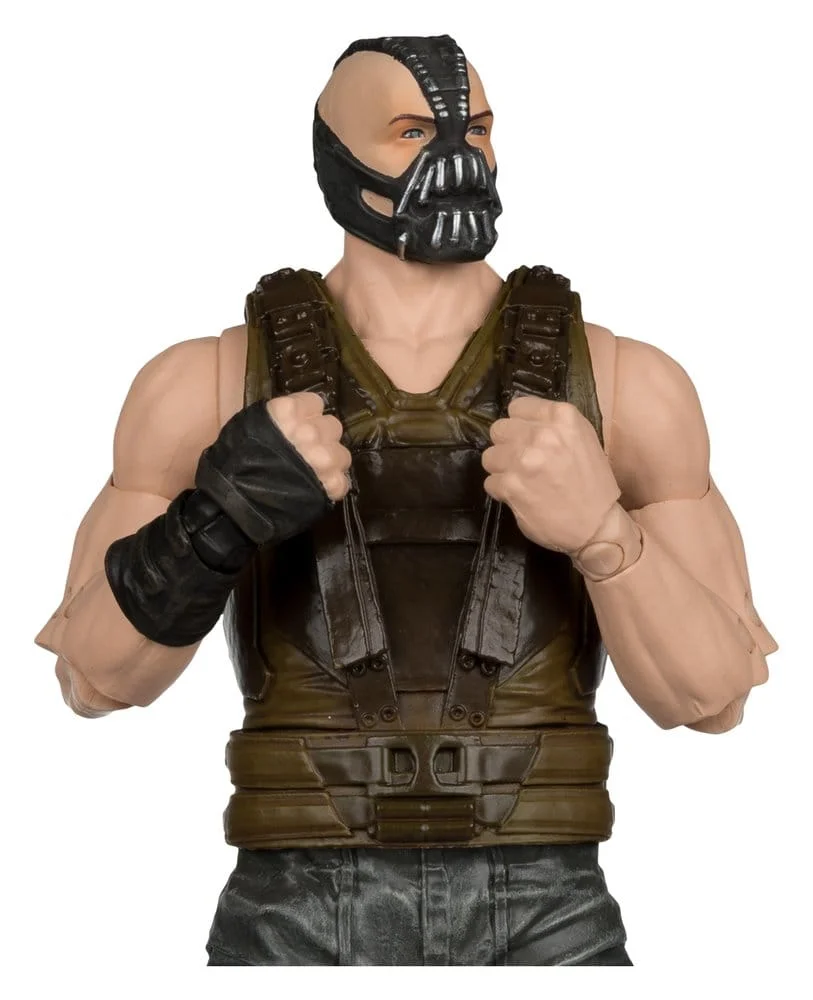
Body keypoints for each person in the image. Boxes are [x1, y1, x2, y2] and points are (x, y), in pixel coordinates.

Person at [35, 35, 777, 966]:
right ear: (334, 153)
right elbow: (93, 680)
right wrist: (215, 521)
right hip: (295, 892)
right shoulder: (204, 383)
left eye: (477, 128)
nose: (458, 158)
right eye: (413, 132)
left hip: (543, 893)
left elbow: (713, 698)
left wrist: (603, 533)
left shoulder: (627, 384)